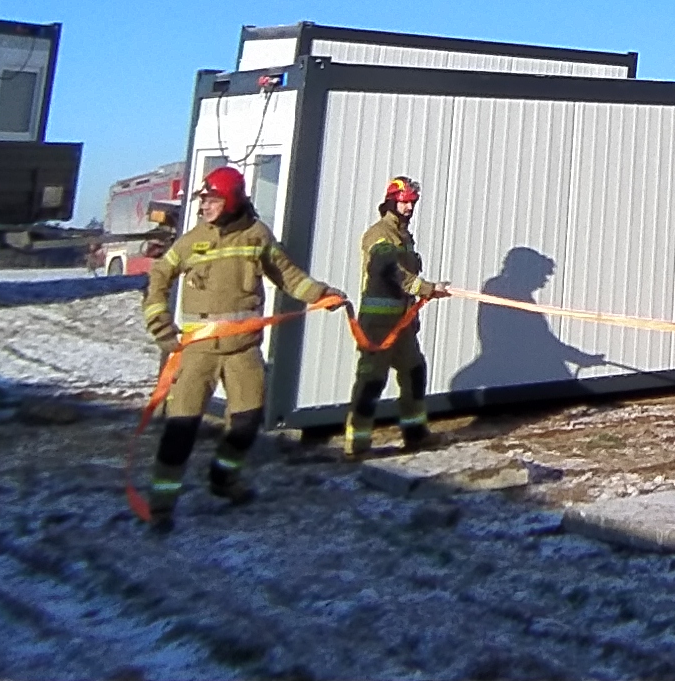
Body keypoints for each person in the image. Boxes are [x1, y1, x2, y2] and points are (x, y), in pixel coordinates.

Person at [139, 165, 342, 531]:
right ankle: (162, 506)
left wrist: (322, 294)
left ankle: (223, 479)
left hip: (243, 351)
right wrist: (161, 327)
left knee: (247, 422)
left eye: (212, 200)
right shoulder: (191, 240)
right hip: (198, 351)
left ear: (232, 200)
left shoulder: (257, 235)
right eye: (203, 201)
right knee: (181, 428)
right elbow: (158, 279)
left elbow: (288, 276)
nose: (204, 207)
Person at [346, 175, 450, 459]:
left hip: (402, 324)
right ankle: (357, 444)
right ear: (391, 202)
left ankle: (415, 434)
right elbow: (390, 271)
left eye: (412, 202)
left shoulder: (404, 236)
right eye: (404, 202)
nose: (409, 208)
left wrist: (424, 294)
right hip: (378, 326)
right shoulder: (379, 235)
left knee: (414, 371)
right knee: (371, 381)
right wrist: (427, 288)